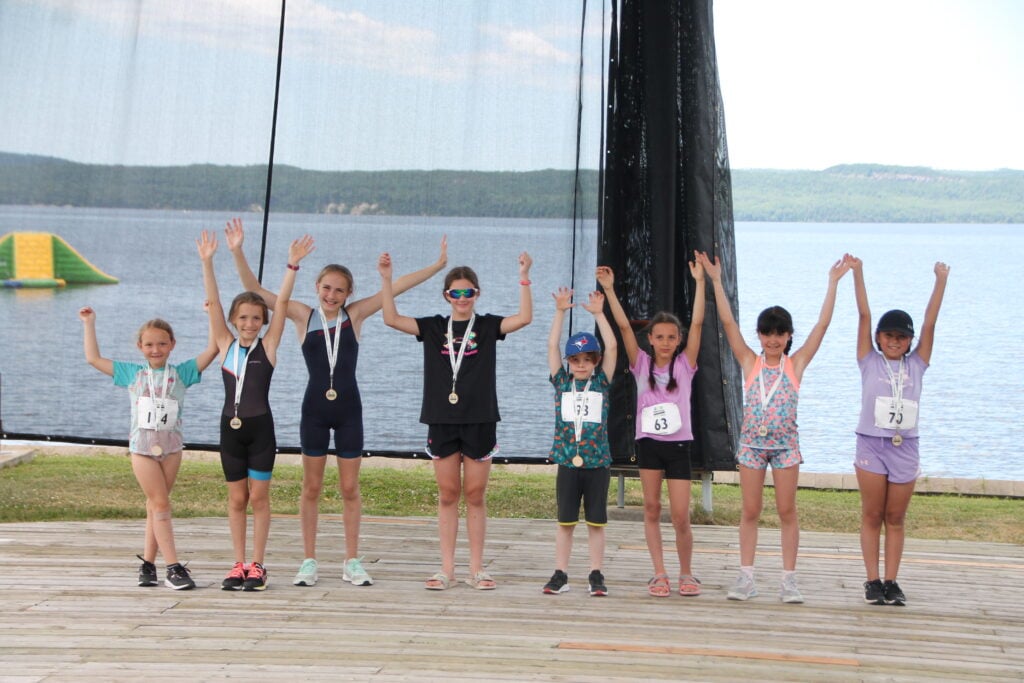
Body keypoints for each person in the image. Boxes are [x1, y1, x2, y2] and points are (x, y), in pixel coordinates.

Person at [226, 219, 446, 587]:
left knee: (349, 489)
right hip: (314, 410)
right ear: (317, 287)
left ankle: (351, 560)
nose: (331, 295)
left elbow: (400, 288)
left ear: (348, 294)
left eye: (339, 291)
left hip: (349, 412)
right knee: (310, 488)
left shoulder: (354, 315)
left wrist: (436, 267)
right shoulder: (302, 315)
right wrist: (238, 251)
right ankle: (309, 561)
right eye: (327, 288)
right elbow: (255, 291)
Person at [698, 251, 850, 603]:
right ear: (760, 334)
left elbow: (821, 327)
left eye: (780, 334)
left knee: (786, 511)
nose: (773, 339)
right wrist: (717, 282)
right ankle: (746, 577)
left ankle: (789, 581)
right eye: (767, 333)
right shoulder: (750, 361)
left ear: (788, 336)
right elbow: (728, 326)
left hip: (785, 448)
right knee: (750, 511)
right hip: (752, 446)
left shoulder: (795, 365)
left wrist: (832, 284)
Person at [378, 249, 533, 590]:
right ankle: (446, 569)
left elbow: (523, 318)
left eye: (469, 292)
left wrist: (524, 276)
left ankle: (477, 569)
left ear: (477, 294)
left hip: (480, 418)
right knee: (449, 494)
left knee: (475, 495)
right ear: (446, 295)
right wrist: (387, 280)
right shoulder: (434, 327)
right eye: (456, 292)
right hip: (441, 418)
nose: (462, 298)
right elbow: (390, 318)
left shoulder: (489, 325)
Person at [198, 227, 315, 591]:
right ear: (234, 320)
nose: (249, 323)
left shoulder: (269, 346)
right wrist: (208, 261)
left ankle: (259, 565)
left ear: (262, 322)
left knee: (259, 498)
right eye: (243, 317)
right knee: (236, 498)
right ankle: (238, 564)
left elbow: (280, 304)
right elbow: (214, 303)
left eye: (255, 318)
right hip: (229, 432)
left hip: (261, 431)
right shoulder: (223, 342)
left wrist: (292, 266)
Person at [79, 307, 218, 590]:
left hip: (171, 448)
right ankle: (174, 567)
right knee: (161, 504)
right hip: (142, 449)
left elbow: (214, 348)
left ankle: (148, 565)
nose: (156, 349)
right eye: (150, 344)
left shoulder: (183, 373)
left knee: (155, 506)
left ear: (172, 345)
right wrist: (89, 323)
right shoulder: (132, 373)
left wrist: (211, 314)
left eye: (162, 343)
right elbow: (93, 359)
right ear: (140, 347)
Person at [597, 258, 705, 597]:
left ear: (678, 339)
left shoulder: (685, 365)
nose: (665, 342)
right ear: (651, 339)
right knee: (651, 508)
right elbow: (625, 329)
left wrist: (701, 283)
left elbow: (699, 322)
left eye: (672, 337)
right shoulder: (640, 363)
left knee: (680, 514)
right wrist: (610, 290)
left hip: (678, 447)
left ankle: (686, 572)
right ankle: (659, 573)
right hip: (649, 445)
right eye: (659, 337)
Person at [850, 257, 949, 606]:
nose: (895, 341)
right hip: (872, 444)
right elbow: (863, 315)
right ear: (878, 338)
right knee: (872, 513)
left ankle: (892, 580)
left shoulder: (917, 363)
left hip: (905, 445)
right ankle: (872, 580)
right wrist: (858, 273)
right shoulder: (868, 360)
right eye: (889, 335)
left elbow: (930, 322)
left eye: (902, 337)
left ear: (909, 341)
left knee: (895, 516)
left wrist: (940, 281)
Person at [542, 287, 617, 597]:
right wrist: (560, 312)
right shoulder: (561, 381)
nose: (582, 364)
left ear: (596, 361)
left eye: (588, 359)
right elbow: (551, 345)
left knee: (596, 522)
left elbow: (613, 346)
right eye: (576, 359)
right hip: (567, 462)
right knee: (565, 521)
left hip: (597, 463)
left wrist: (599, 313)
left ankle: (595, 573)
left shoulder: (601, 382)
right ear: (569, 361)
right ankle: (560, 572)